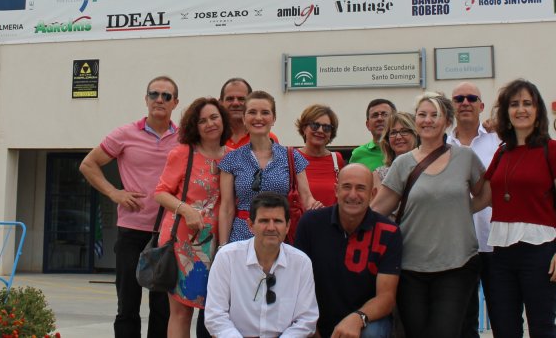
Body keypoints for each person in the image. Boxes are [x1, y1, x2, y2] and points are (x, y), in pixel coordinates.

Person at [371, 92, 491, 338]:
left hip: (458, 263)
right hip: (411, 267)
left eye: (435, 115)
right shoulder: (403, 163)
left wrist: (460, 211)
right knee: (417, 332)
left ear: (447, 121)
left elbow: (486, 195)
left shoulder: (465, 158)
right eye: (422, 115)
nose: (428, 120)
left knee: (444, 331)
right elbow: (378, 208)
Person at [80, 76, 181, 338]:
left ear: (175, 103)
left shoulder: (184, 138)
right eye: (154, 94)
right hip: (131, 232)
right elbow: (88, 165)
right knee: (127, 305)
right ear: (146, 100)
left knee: (162, 308)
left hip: (167, 234)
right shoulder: (125, 134)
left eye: (166, 96)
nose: (160, 99)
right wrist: (115, 192)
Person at [482, 79, 556, 338]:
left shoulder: (552, 149)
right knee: (504, 329)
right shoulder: (501, 153)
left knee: (542, 329)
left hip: (540, 252)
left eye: (527, 103)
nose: (520, 109)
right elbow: (482, 198)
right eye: (514, 104)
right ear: (506, 113)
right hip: (500, 254)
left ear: (538, 111)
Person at [294, 164, 402, 338]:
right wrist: (310, 327)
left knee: (372, 334)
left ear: (372, 194)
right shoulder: (311, 224)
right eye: (346, 187)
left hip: (365, 320)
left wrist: (357, 318)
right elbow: (296, 285)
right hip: (314, 318)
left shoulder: (389, 232)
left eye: (360, 188)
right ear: (336, 190)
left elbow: (386, 298)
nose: (353, 195)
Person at [154, 97, 229, 338]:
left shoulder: (234, 156)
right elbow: (160, 193)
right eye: (202, 121)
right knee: (181, 313)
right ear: (193, 126)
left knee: (218, 313)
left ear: (223, 120)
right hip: (183, 242)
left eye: (214, 117)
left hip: (221, 242)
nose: (209, 124)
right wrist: (186, 210)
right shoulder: (183, 153)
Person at [205, 192, 318, 337]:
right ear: (251, 225)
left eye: (277, 221)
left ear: (288, 226)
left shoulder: (301, 263)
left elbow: (306, 319)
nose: (271, 227)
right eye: (264, 221)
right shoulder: (227, 257)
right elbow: (215, 316)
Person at [219, 91, 321, 245]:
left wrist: (321, 211)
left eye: (265, 112)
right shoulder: (231, 159)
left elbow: (307, 199)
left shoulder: (292, 156)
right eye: (252, 112)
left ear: (273, 118)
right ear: (244, 118)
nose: (258, 118)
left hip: (280, 237)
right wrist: (223, 248)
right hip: (242, 238)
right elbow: (226, 208)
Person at [447, 82, 501, 338]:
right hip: (456, 245)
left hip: (496, 243)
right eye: (459, 98)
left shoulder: (499, 140)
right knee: (463, 320)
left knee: (504, 315)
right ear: (452, 106)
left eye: (471, 98)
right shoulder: (442, 145)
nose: (465, 102)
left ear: (481, 106)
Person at [295, 104, 345, 207]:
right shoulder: (292, 157)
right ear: (304, 128)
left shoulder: (337, 159)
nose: (320, 130)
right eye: (315, 125)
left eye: (326, 128)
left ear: (331, 133)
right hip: (301, 222)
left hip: (330, 221)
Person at [221, 77, 278, 150]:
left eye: (241, 99)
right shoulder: (214, 138)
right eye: (230, 99)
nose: (235, 103)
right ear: (220, 102)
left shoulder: (270, 139)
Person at [373, 111, 418, 186]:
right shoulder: (379, 175)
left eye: (404, 131)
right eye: (393, 133)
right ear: (387, 139)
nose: (398, 137)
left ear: (416, 135)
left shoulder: (428, 168)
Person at [349, 99, 395, 171]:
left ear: (395, 120)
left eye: (385, 114)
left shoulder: (403, 149)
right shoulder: (358, 154)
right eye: (375, 115)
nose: (379, 118)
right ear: (368, 125)